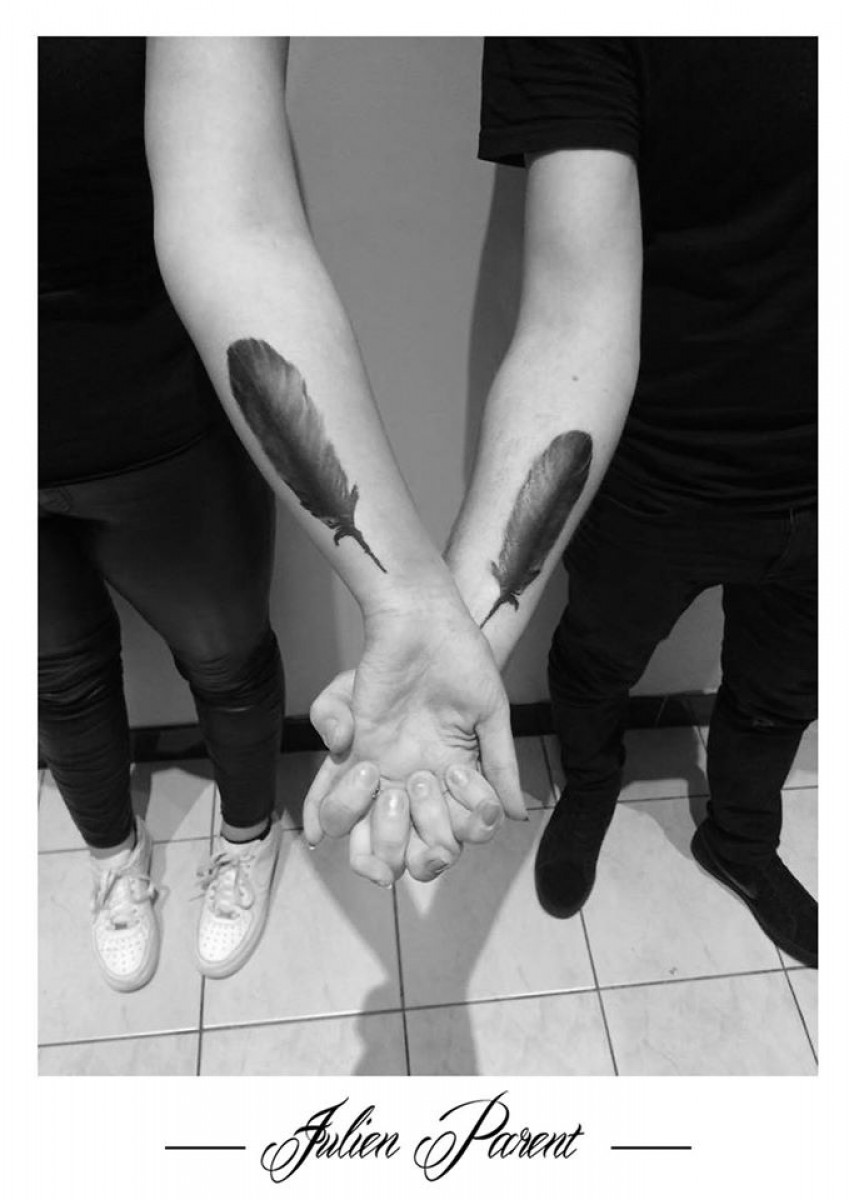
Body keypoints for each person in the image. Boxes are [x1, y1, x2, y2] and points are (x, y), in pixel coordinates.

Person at [310, 37, 817, 969]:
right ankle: (587, 791)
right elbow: (570, 324)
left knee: (785, 691)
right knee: (595, 667)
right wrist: (452, 630)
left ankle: (741, 840)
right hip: (658, 474)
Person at [39, 36, 525, 993]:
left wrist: (407, 595)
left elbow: (236, 221)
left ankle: (245, 836)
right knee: (52, 681)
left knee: (227, 662)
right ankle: (113, 856)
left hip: (160, 430)